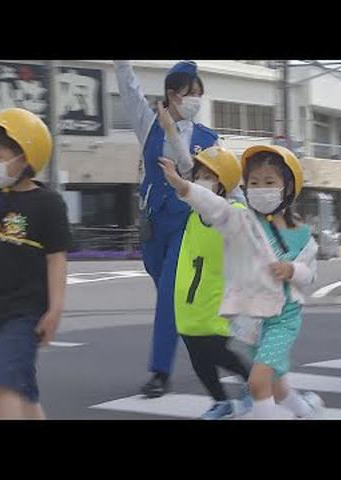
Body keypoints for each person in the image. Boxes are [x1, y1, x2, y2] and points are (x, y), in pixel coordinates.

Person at [160, 144, 324, 419]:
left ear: (288, 187)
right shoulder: (242, 221)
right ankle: (305, 409)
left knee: (258, 383)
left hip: (283, 318)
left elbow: (310, 275)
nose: (261, 188)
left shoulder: (302, 235)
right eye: (255, 182)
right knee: (277, 385)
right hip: (253, 320)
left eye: (269, 182)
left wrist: (292, 269)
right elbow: (214, 207)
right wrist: (183, 187)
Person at [114, 60, 244, 398]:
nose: (196, 100)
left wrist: (248, 212)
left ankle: (160, 371)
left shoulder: (208, 138)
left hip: (187, 229)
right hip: (154, 226)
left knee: (171, 296)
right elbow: (129, 90)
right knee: (173, 299)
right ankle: (211, 349)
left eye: (199, 94)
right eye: (190, 93)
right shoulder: (149, 124)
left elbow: (227, 180)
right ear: (172, 95)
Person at [0, 108, 71, 419]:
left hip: (23, 315)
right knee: (24, 394)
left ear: (25, 156)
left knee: (0, 386)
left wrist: (55, 310)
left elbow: (56, 260)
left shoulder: (47, 204)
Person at [167, 142, 253, 419]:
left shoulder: (234, 212)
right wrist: (171, 131)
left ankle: (252, 381)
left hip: (218, 299)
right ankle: (220, 401)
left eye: (209, 176)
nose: (200, 181)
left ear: (224, 183)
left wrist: (181, 184)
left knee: (216, 351)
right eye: (199, 175)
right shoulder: (197, 214)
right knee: (198, 356)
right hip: (189, 301)